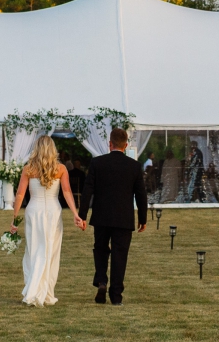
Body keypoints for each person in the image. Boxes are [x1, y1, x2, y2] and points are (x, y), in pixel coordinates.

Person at [11, 135, 84, 307]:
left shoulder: (28, 168)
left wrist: (14, 218)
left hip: (34, 211)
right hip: (53, 212)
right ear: (53, 149)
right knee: (50, 252)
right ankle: (45, 292)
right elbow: (67, 192)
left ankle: (34, 290)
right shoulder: (60, 169)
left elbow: (20, 194)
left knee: (34, 250)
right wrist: (75, 213)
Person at [79, 127, 147, 305]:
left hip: (101, 216)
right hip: (123, 218)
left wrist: (82, 215)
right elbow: (141, 195)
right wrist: (143, 218)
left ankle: (102, 281)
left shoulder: (97, 163)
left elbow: (88, 190)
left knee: (100, 249)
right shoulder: (134, 166)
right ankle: (116, 296)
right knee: (120, 254)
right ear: (125, 145)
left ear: (110, 144)